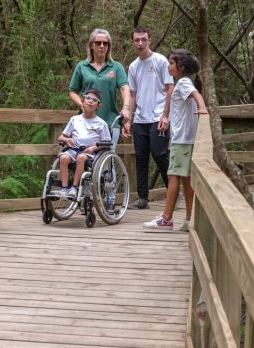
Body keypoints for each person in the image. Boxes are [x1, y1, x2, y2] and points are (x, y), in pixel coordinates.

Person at [143, 50, 208, 232]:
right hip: (185, 139)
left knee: (173, 177)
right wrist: (167, 118)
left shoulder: (184, 83)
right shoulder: (183, 83)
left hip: (182, 140)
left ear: (181, 67)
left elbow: (196, 95)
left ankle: (166, 219)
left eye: (171, 63)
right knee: (186, 180)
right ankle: (189, 219)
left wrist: (202, 107)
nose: (168, 66)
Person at [123, 27, 174, 209]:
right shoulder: (133, 66)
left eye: (143, 39)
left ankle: (173, 193)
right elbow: (133, 95)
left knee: (160, 154)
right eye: (137, 40)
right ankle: (142, 198)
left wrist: (166, 115)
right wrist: (129, 119)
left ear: (149, 40)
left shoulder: (160, 61)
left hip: (158, 117)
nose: (140, 43)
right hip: (140, 119)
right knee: (141, 158)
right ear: (133, 42)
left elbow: (170, 88)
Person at [69, 29, 131, 145]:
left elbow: (124, 88)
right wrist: (82, 105)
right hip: (86, 122)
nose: (102, 46)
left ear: (108, 46)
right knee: (84, 153)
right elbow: (73, 91)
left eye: (105, 43)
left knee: (107, 154)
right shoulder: (82, 66)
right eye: (98, 43)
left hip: (110, 121)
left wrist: (126, 107)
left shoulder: (116, 67)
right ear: (91, 45)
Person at [52, 88, 112, 200]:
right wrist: (67, 140)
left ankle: (74, 188)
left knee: (81, 158)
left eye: (94, 100)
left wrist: (94, 148)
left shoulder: (101, 123)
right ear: (82, 101)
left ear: (98, 106)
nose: (90, 101)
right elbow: (61, 137)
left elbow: (107, 143)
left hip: (90, 153)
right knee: (63, 158)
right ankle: (64, 188)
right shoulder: (75, 119)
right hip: (73, 150)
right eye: (88, 98)